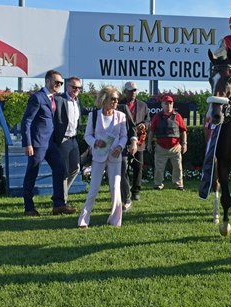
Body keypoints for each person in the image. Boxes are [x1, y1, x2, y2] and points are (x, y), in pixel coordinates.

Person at [21, 70, 77, 216]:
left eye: (61, 83)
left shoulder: (55, 98)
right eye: (56, 82)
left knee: (59, 169)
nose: (59, 85)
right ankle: (29, 208)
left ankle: (59, 205)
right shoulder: (37, 98)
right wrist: (27, 143)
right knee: (31, 174)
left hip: (50, 144)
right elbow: (26, 121)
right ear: (47, 81)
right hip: (37, 144)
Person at [77, 86, 127, 228]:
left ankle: (115, 220)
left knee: (116, 189)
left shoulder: (121, 116)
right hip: (98, 156)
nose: (115, 102)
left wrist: (120, 147)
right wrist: (95, 142)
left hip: (115, 157)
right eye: (113, 99)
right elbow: (87, 136)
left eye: (117, 99)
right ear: (104, 100)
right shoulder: (94, 116)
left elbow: (124, 136)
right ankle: (83, 220)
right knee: (93, 189)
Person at [117, 81, 150, 212]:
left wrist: (144, 125)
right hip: (123, 140)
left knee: (138, 166)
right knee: (123, 167)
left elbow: (148, 119)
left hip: (139, 142)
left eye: (135, 90)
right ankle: (124, 193)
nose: (133, 93)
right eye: (130, 91)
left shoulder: (143, 105)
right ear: (125, 92)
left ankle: (136, 190)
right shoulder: (119, 105)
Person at [147, 95, 187, 191]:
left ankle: (178, 185)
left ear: (173, 104)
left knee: (178, 168)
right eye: (166, 103)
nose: (168, 105)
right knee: (159, 169)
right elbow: (151, 131)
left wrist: (184, 143)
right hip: (161, 147)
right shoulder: (157, 116)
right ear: (162, 105)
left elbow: (183, 131)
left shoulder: (178, 116)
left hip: (175, 147)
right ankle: (158, 184)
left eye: (170, 103)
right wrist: (149, 144)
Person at [53, 76, 83, 205]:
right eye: (74, 87)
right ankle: (62, 200)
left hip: (74, 139)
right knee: (63, 171)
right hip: (63, 140)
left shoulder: (78, 101)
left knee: (76, 168)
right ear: (67, 86)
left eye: (79, 88)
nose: (76, 89)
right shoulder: (59, 99)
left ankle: (59, 194)